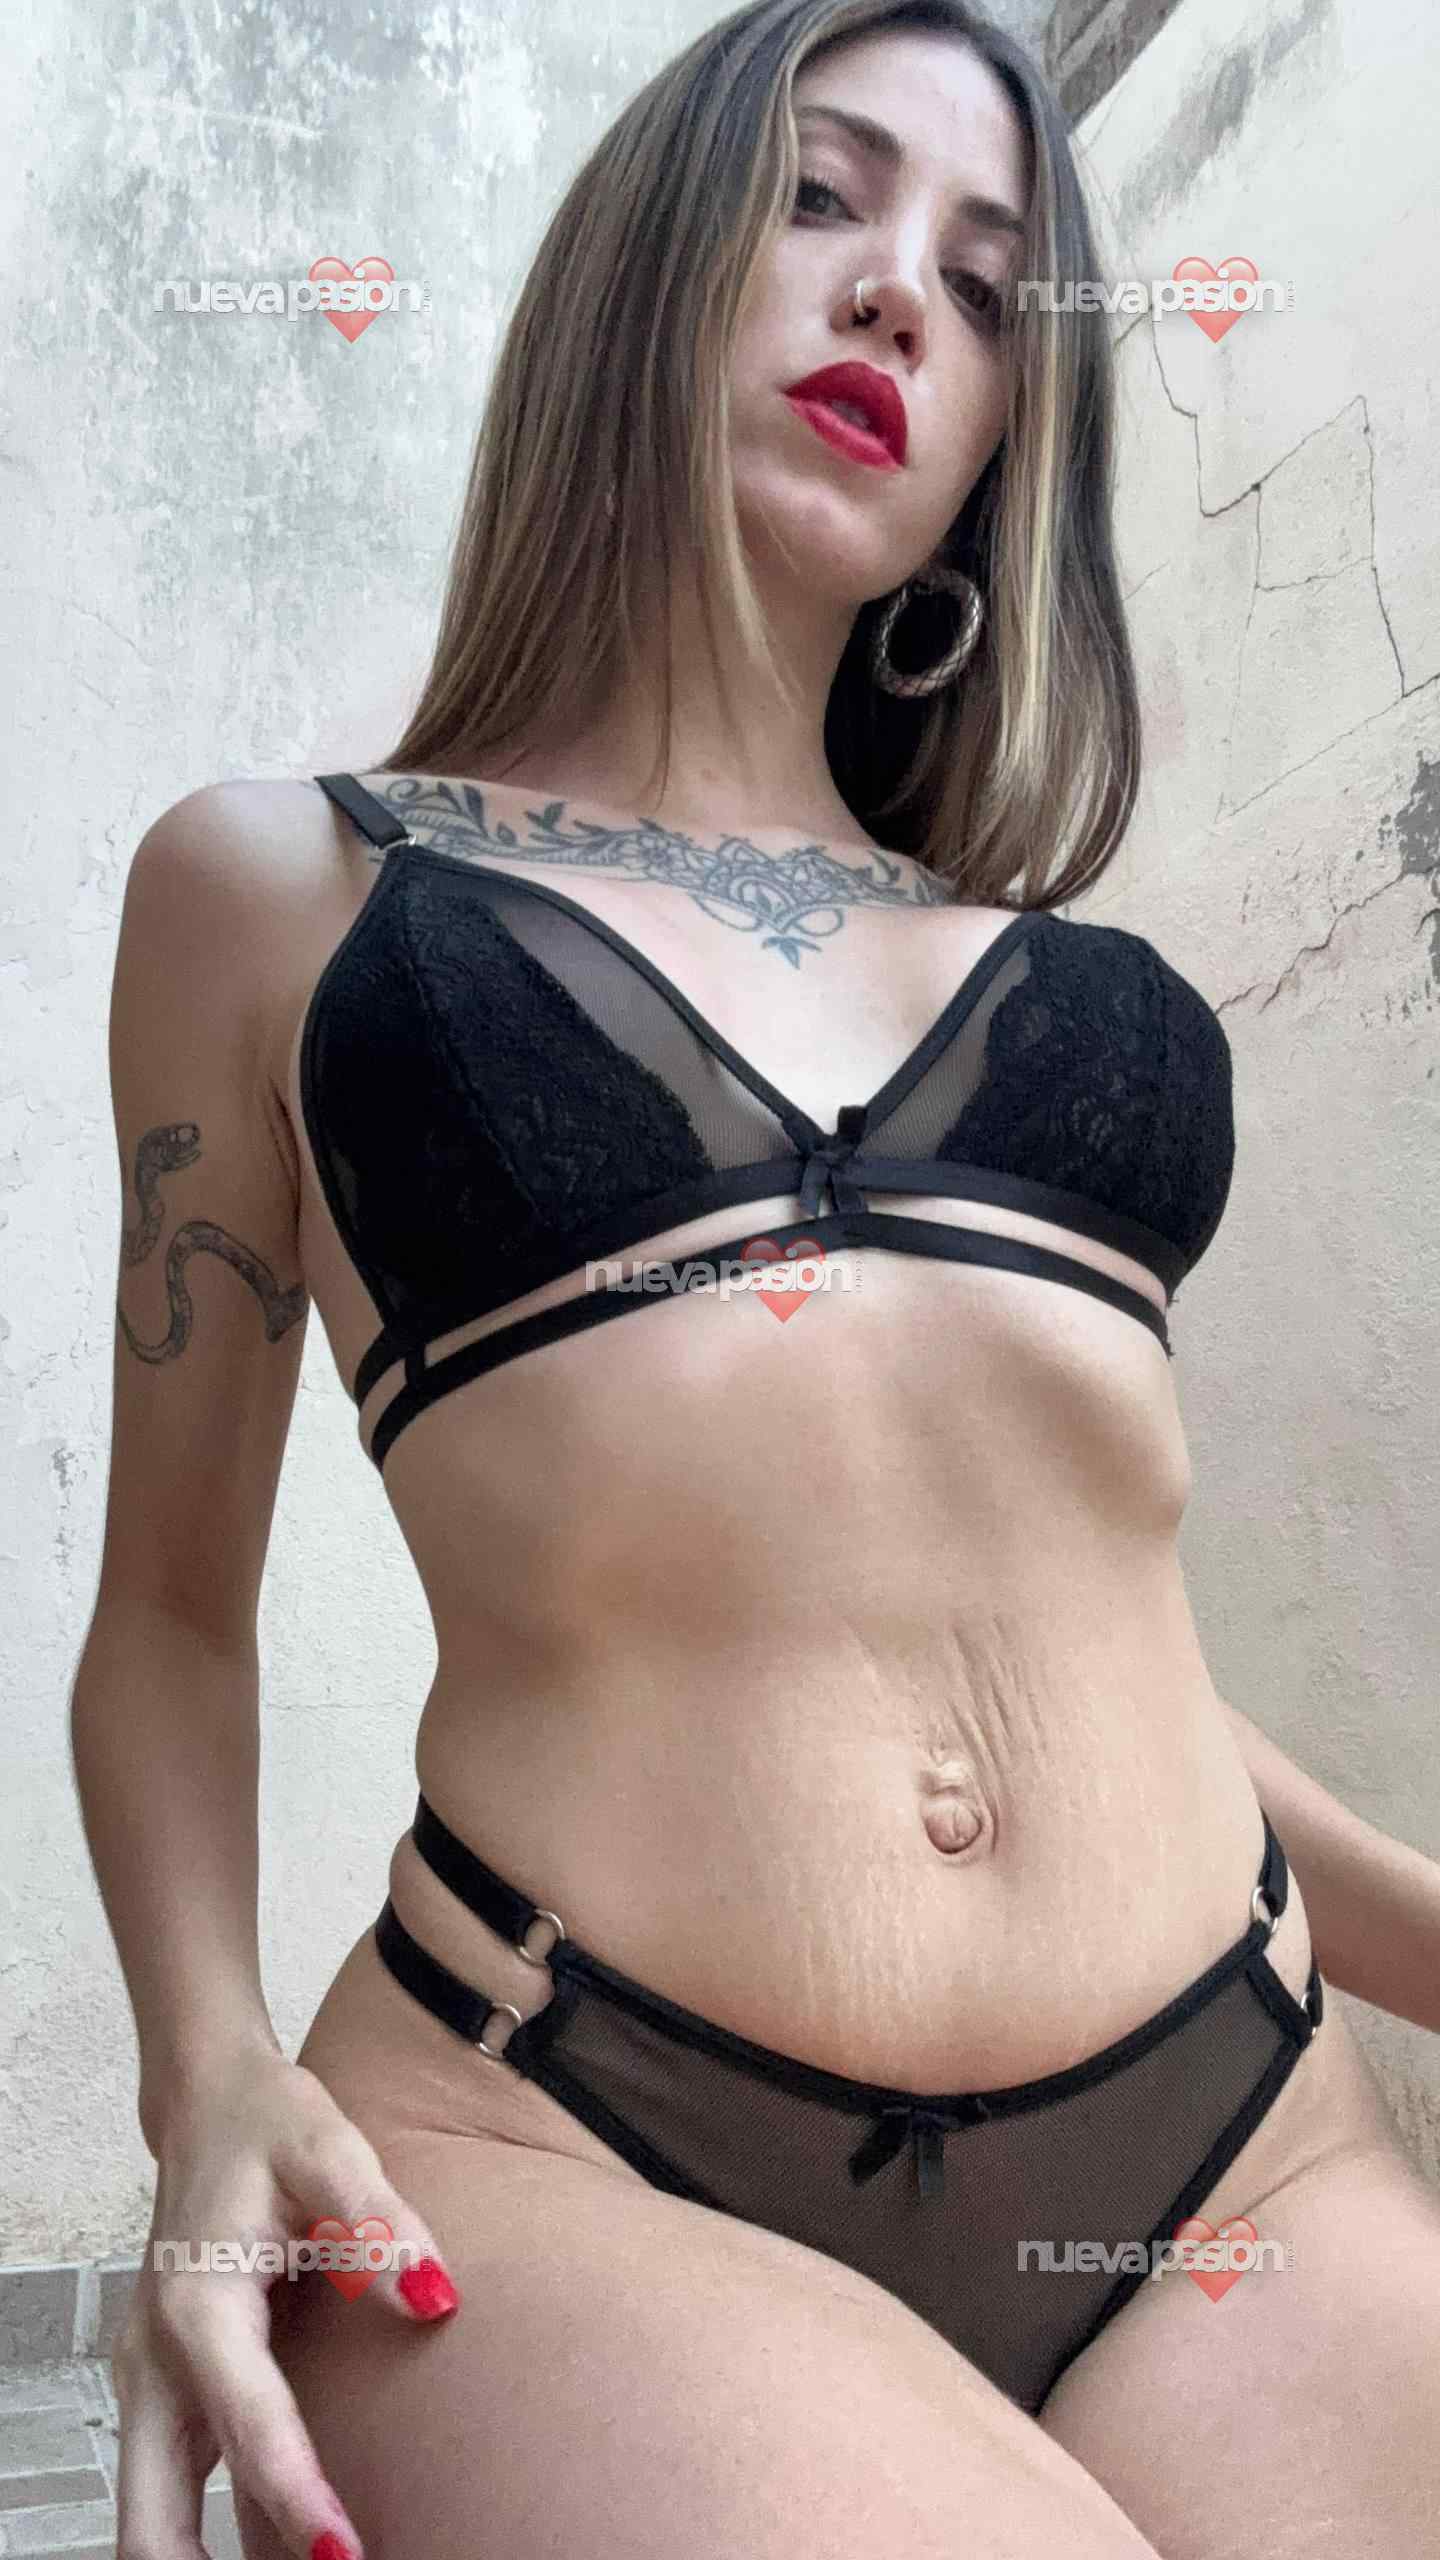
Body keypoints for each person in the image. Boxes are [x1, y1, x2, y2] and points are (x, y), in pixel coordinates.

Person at [73, 3, 1440, 2555]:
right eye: (821, 193)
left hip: (1229, 2143)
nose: (902, 291)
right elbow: (166, 1610)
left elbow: (1093, 1654)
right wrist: (206, 2068)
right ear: (648, 260)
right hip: (559, 2125)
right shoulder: (283, 892)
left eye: (991, 284)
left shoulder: (1084, 998)